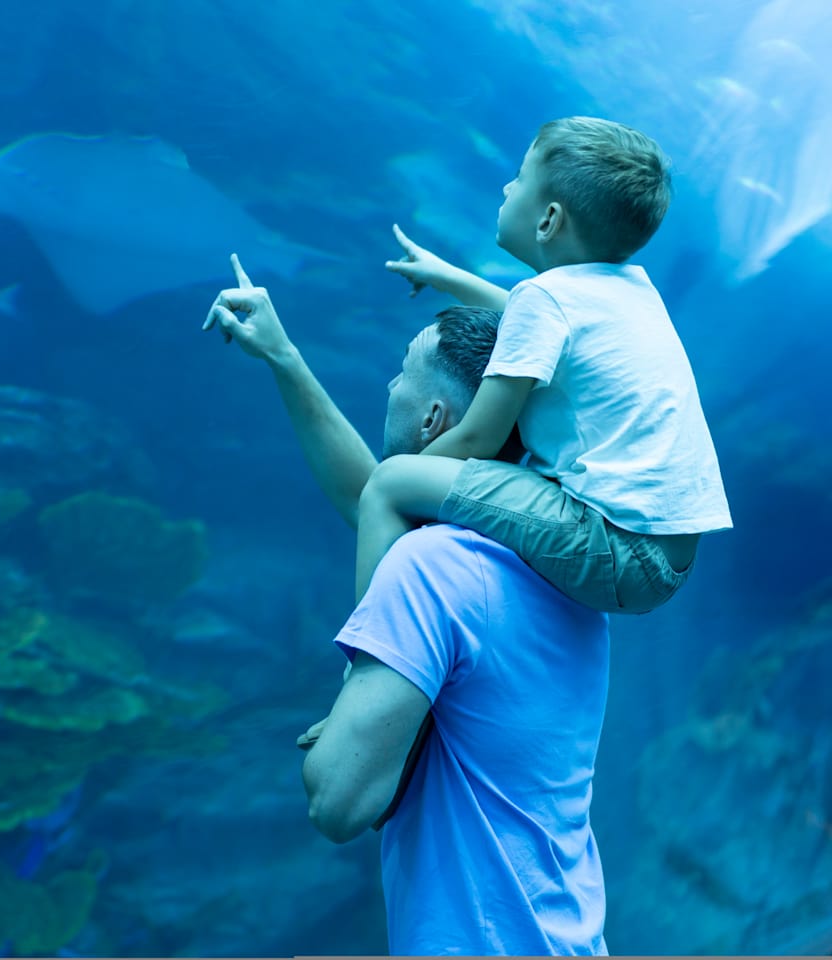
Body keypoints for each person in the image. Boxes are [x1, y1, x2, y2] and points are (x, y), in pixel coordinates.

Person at [204, 255, 609, 954]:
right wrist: (285, 358)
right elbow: (369, 496)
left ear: (433, 418)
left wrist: (349, 711)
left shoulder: (431, 569)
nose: (388, 384)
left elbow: (338, 800)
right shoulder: (561, 568)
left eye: (401, 372)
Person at [357, 117, 732, 614]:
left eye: (520, 177)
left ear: (549, 219)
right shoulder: (628, 291)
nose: (508, 186)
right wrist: (446, 276)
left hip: (613, 547)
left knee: (389, 483)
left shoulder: (546, 298)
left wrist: (409, 478)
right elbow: (523, 322)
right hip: (669, 559)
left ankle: (370, 646)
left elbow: (477, 440)